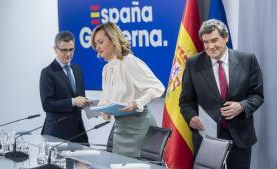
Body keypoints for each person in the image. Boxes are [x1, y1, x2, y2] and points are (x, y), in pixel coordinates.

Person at [179, 19, 263, 169]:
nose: (210, 46)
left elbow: (257, 95)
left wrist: (242, 106)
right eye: (206, 42)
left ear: (226, 38)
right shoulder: (193, 63)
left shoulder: (247, 60)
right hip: (208, 139)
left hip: (240, 137)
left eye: (214, 40)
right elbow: (185, 101)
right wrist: (191, 117)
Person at [90, 22, 165, 158]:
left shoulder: (129, 61)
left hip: (140, 129)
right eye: (95, 44)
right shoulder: (106, 69)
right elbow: (107, 98)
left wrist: (138, 102)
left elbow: (158, 87)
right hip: (120, 130)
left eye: (100, 42)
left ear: (113, 40)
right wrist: (104, 111)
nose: (97, 47)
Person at [40, 31, 89, 143]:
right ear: (55, 49)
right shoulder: (47, 73)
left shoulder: (77, 69)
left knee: (86, 160)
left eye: (71, 50)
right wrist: (72, 102)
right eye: (64, 50)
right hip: (57, 133)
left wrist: (92, 109)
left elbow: (80, 99)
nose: (68, 54)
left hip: (78, 131)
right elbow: (47, 105)